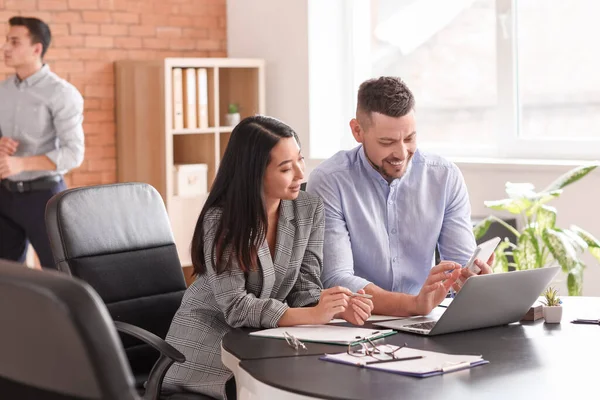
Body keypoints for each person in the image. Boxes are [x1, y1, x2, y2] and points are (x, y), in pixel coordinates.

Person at [162, 116, 374, 400]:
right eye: (286, 168)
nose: (301, 174)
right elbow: (236, 308)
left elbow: (304, 288)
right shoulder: (222, 219)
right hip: (207, 343)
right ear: (254, 173)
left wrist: (335, 307)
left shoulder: (308, 208)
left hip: (262, 338)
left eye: (300, 160)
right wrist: (312, 314)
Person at [306, 76, 489, 317]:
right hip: (357, 323)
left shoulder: (444, 177)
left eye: (410, 138)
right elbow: (336, 279)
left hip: (425, 318)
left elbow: (459, 271)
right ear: (357, 131)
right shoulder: (330, 180)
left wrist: (472, 280)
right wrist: (413, 305)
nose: (401, 153)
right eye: (387, 142)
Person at [0, 16, 84, 269]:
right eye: (6, 40)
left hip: (45, 198)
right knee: (7, 278)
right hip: (4, 197)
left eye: (14, 42)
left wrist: (21, 164)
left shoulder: (62, 93)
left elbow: (74, 153)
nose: (5, 47)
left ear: (36, 49)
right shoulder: (3, 90)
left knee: (58, 275)